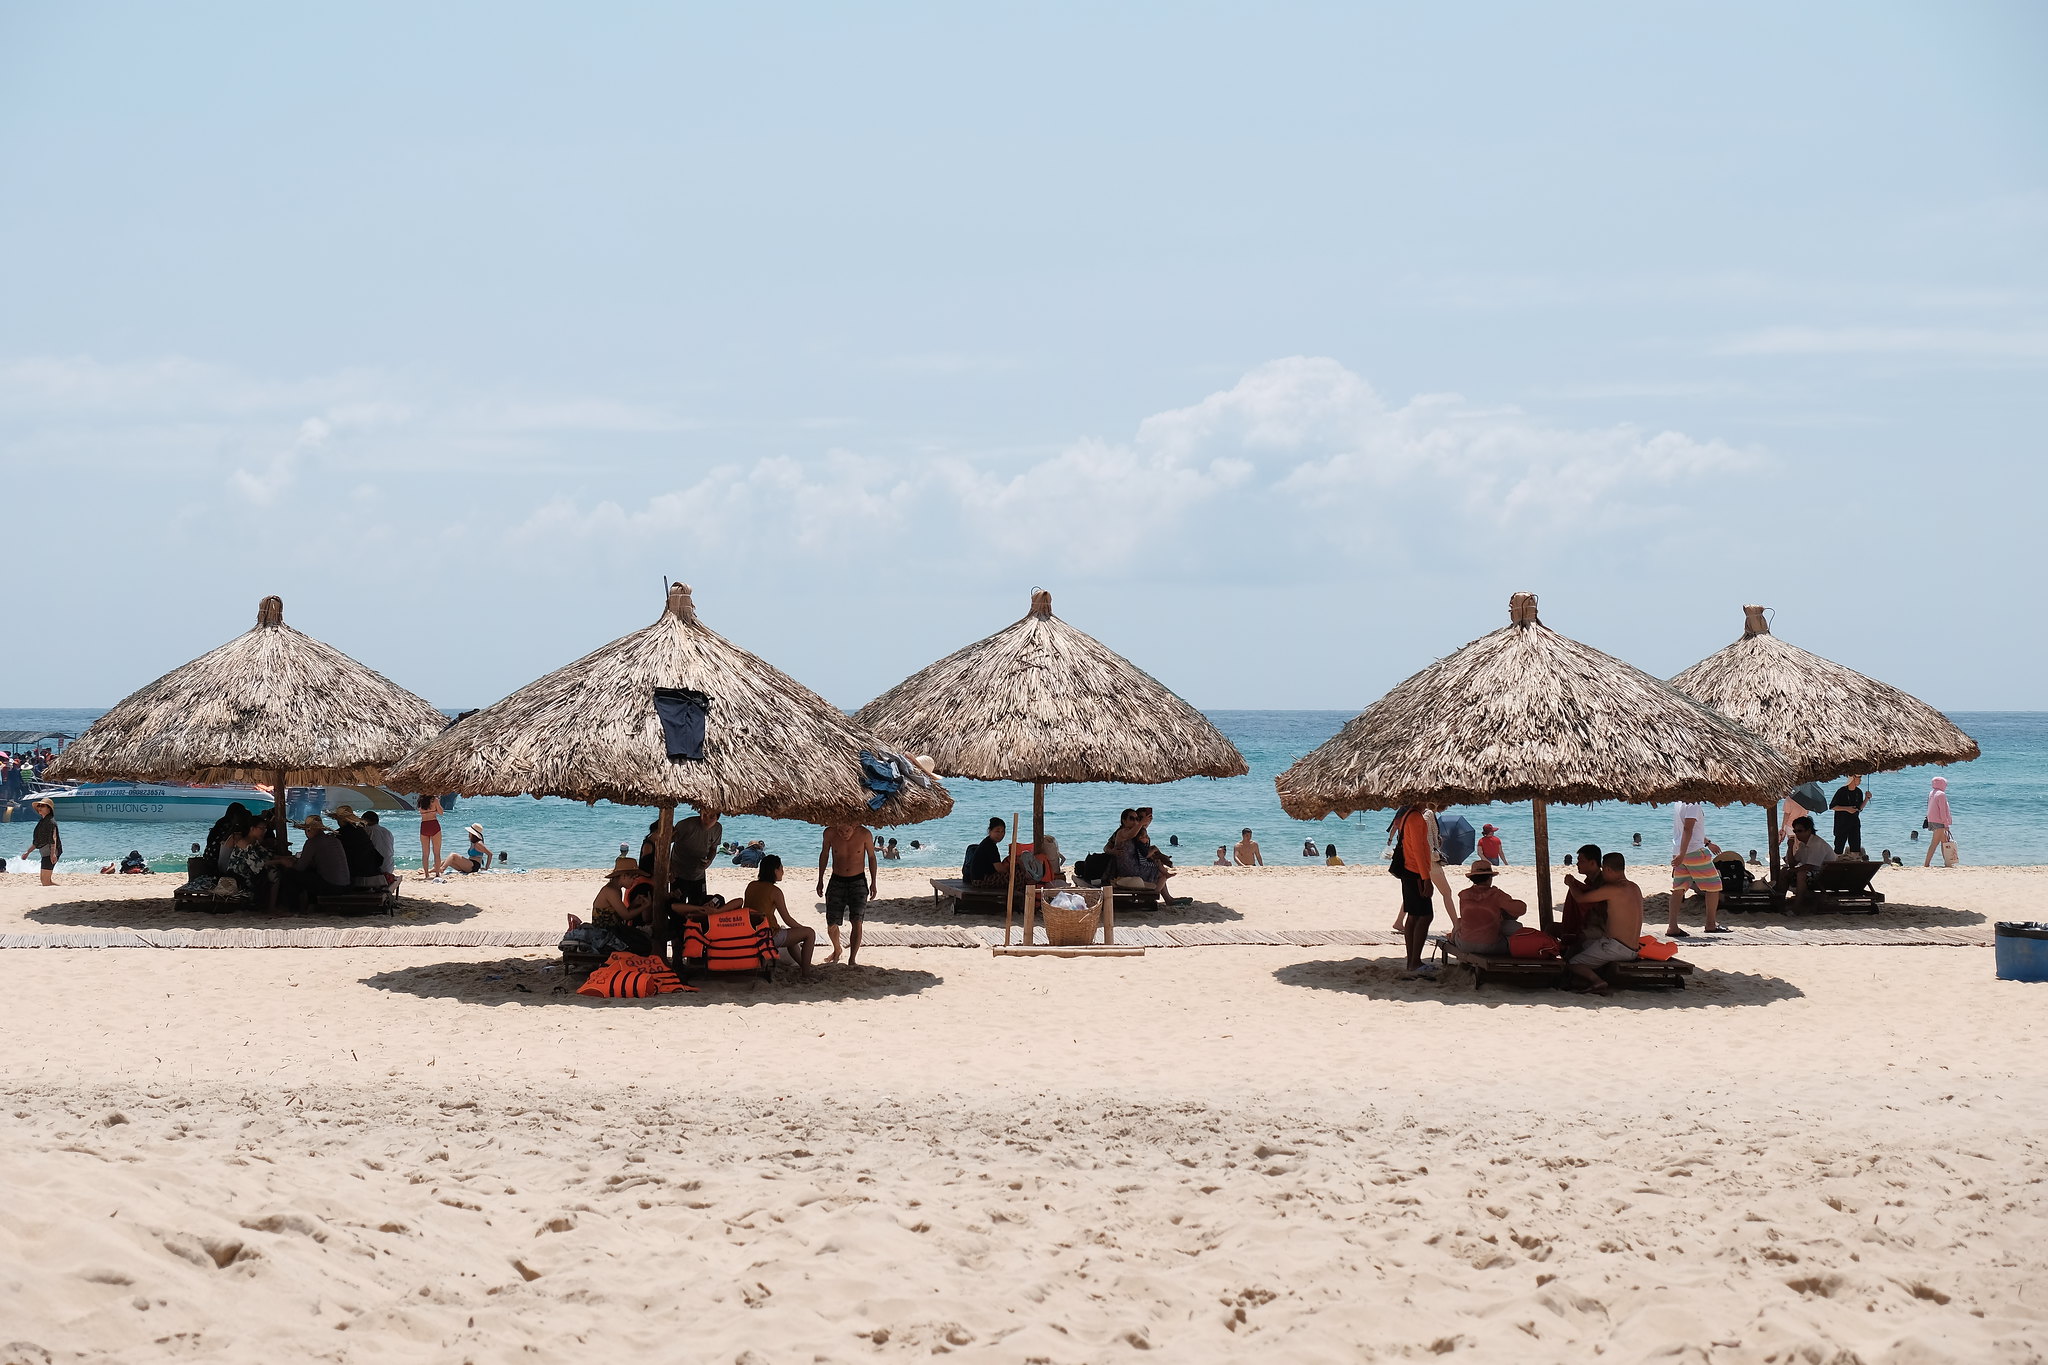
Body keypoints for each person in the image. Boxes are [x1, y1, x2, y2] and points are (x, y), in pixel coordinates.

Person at [1568, 853, 1644, 996]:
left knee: (1574, 963)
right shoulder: (1635, 887)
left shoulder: (1613, 889)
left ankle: (1597, 981)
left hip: (1615, 947)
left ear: (1608, 870)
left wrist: (1571, 883)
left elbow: (1580, 898)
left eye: (1603, 870)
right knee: (1584, 944)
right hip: (1633, 949)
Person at [1389, 805, 1442, 978]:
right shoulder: (1417, 818)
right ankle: (1415, 962)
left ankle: (1411, 961)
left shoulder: (1407, 815)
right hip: (1416, 871)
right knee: (1425, 916)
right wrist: (1426, 878)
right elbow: (1419, 850)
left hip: (1408, 870)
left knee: (1413, 916)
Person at [742, 854, 815, 975]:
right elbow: (787, 919)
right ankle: (806, 972)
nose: (783, 872)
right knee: (809, 933)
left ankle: (803, 965)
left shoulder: (751, 885)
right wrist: (801, 928)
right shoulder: (775, 891)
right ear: (775, 870)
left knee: (790, 934)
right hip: (767, 935)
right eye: (781, 868)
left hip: (750, 932)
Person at [817, 821, 877, 965]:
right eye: (840, 831)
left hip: (858, 881)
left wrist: (874, 882)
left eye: (847, 831)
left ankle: (852, 959)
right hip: (836, 880)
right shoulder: (829, 833)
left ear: (854, 826)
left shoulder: (865, 834)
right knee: (831, 922)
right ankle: (837, 949)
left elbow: (871, 857)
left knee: (857, 921)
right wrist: (820, 879)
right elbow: (824, 854)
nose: (843, 834)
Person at [1666, 800, 1726, 937]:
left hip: (1679, 850)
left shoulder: (1678, 803)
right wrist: (1683, 854)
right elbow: (1688, 828)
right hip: (1692, 852)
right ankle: (1710, 924)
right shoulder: (1693, 804)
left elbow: (1690, 830)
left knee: (1678, 888)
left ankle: (1672, 926)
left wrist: (1708, 843)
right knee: (1714, 886)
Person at [1450, 858, 1525, 955]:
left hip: (1464, 945)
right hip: (1491, 946)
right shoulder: (1496, 894)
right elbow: (1521, 909)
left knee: (1459, 921)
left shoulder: (1464, 895)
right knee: (1516, 927)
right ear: (1490, 878)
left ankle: (1451, 940)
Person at [285, 815, 352, 909]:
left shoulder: (312, 843)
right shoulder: (334, 840)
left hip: (332, 886)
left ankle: (294, 908)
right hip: (346, 885)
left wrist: (289, 863)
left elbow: (300, 868)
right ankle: (311, 904)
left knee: (290, 874)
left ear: (309, 830)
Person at [1776, 815, 1835, 907]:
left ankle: (1797, 906)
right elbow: (1792, 864)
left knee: (1801, 873)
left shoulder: (1816, 843)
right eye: (1795, 831)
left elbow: (1809, 866)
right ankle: (1780, 902)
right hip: (1813, 873)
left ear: (1809, 830)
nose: (1796, 834)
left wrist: (1793, 870)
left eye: (1799, 831)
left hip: (1824, 875)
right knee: (1784, 871)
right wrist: (1790, 847)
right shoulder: (1803, 845)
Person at [670, 807, 724, 904]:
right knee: (677, 906)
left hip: (698, 874)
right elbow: (665, 845)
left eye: (711, 817)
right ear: (700, 813)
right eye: (704, 815)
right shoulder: (685, 825)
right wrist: (669, 868)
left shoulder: (717, 829)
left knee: (699, 905)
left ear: (717, 818)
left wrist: (709, 861)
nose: (706, 820)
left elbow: (713, 848)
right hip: (678, 873)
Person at [1558, 844, 1604, 956]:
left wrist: (1571, 884)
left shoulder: (1602, 883)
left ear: (1592, 863)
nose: (1577, 864)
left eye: (1581, 861)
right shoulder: (1590, 881)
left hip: (1601, 928)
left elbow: (1582, 900)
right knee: (1551, 928)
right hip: (1587, 924)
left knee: (1574, 942)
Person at [22, 797, 59, 886]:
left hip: (51, 853)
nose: (39, 808)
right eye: (39, 806)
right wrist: (27, 852)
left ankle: (64, 890)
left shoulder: (51, 822)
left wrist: (53, 854)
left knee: (45, 882)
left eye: (42, 806)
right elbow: (37, 841)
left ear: (49, 809)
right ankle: (62, 890)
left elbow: (54, 838)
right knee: (45, 881)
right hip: (45, 853)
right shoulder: (42, 822)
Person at [1830, 775, 1869, 856]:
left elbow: (1859, 808)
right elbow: (1833, 807)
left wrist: (1866, 799)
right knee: (1838, 848)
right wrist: (1847, 809)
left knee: (1855, 848)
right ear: (1853, 778)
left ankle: (1854, 864)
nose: (1861, 780)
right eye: (1859, 777)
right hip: (1841, 824)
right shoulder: (1841, 791)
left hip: (1854, 823)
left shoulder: (1859, 792)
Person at [966, 817, 1009, 887]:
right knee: (1019, 877)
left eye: (1003, 831)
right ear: (990, 831)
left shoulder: (987, 842)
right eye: (997, 831)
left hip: (978, 878)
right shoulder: (990, 846)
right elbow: (999, 868)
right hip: (981, 880)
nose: (1001, 834)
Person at [1923, 777, 1953, 868]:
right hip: (1939, 821)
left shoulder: (1931, 793)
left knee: (1944, 842)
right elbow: (1942, 811)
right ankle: (1926, 864)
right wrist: (1946, 824)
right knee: (1934, 843)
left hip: (1932, 820)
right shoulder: (1941, 794)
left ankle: (1948, 863)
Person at [361, 811, 397, 883]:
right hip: (389, 869)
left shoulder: (367, 831)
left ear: (365, 820)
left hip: (376, 872)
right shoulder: (387, 832)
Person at [416, 795, 446, 878]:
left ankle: (426, 874)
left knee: (425, 853)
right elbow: (441, 812)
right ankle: (437, 873)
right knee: (437, 852)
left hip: (424, 825)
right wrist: (438, 803)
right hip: (434, 824)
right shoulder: (435, 800)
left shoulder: (420, 801)